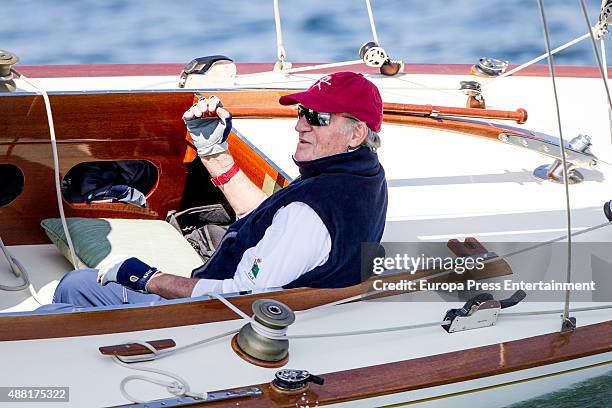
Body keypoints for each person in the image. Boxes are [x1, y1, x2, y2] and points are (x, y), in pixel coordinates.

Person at [46, 71, 388, 308]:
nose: (300, 124)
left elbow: (238, 297)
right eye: (303, 112)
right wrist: (213, 153)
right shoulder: (361, 176)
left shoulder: (311, 210)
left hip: (212, 322)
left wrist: (149, 278)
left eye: (318, 117)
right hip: (269, 301)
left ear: (356, 134)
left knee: (76, 286)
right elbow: (269, 220)